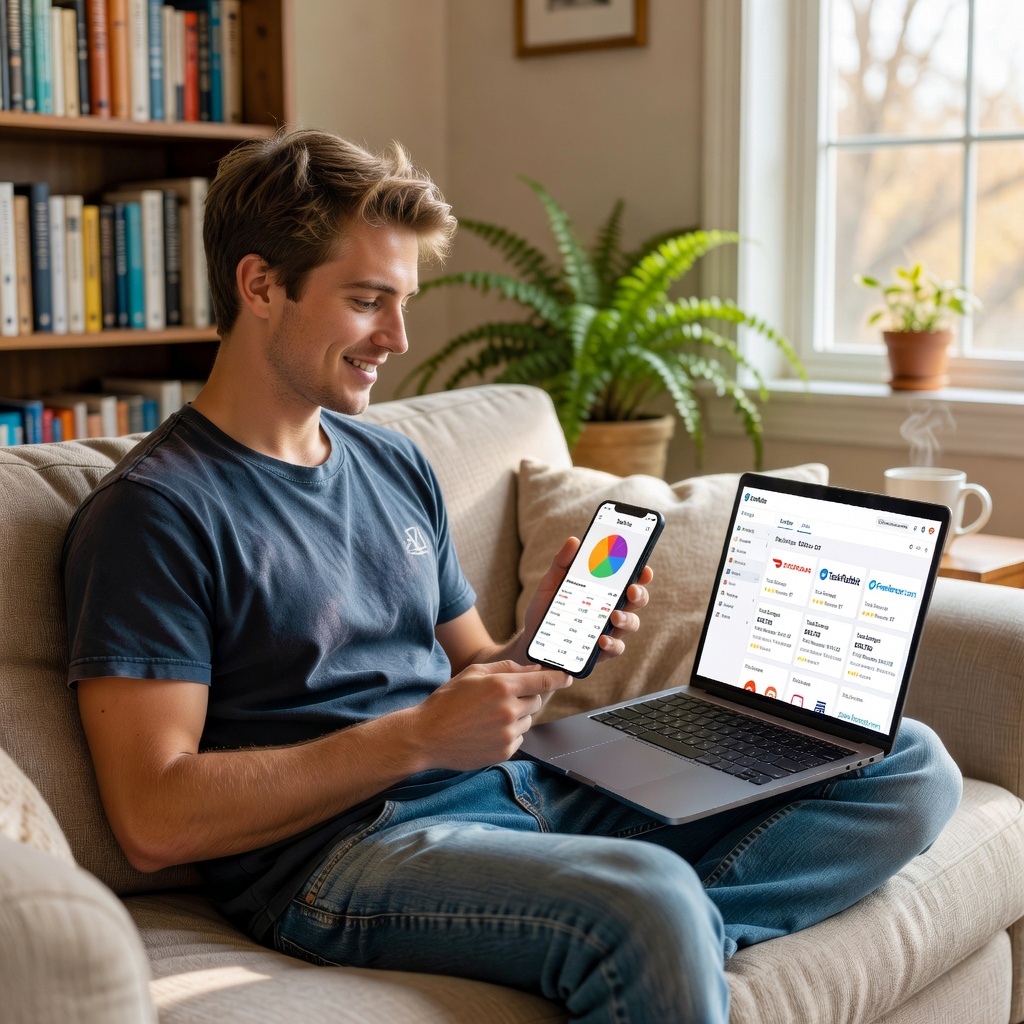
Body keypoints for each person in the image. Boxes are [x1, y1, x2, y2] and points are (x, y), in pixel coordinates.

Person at [62, 128, 962, 1024]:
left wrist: (535, 642)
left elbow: (477, 670)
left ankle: (675, 941)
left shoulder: (391, 462)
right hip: (345, 857)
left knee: (904, 763)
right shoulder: (158, 512)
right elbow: (155, 818)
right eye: (369, 300)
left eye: (403, 301)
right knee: (646, 896)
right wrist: (417, 739)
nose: (399, 337)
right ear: (260, 284)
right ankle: (653, 929)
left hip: (517, 783)